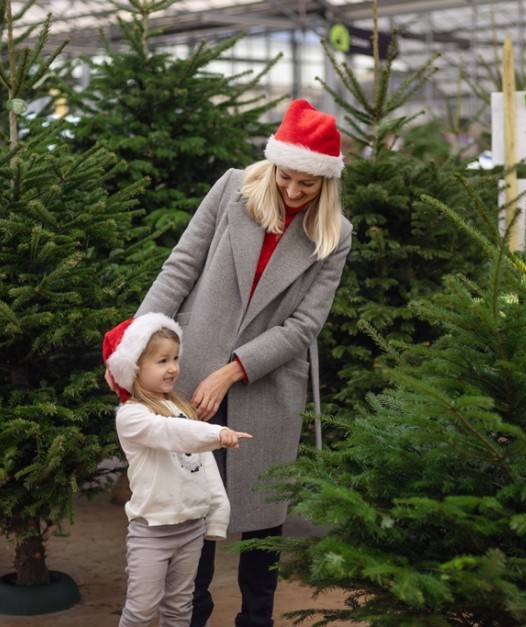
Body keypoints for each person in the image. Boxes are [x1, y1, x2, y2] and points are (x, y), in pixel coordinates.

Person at [110, 98, 352, 627]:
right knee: (191, 504)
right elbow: (179, 269)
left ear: (326, 184)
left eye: (307, 185)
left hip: (266, 384)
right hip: (190, 373)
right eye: (286, 178)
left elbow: (304, 326)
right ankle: (191, 616)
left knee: (264, 520)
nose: (293, 192)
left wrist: (233, 369)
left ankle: (256, 619)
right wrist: (135, 343)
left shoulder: (335, 235)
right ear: (273, 165)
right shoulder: (231, 190)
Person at [103, 312, 253, 627]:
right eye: (161, 361)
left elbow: (204, 467)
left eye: (175, 358)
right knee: (142, 611)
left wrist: (216, 512)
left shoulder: (181, 409)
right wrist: (216, 434)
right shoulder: (131, 417)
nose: (172, 367)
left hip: (190, 529)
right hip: (152, 533)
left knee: (180, 608)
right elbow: (171, 434)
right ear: (134, 368)